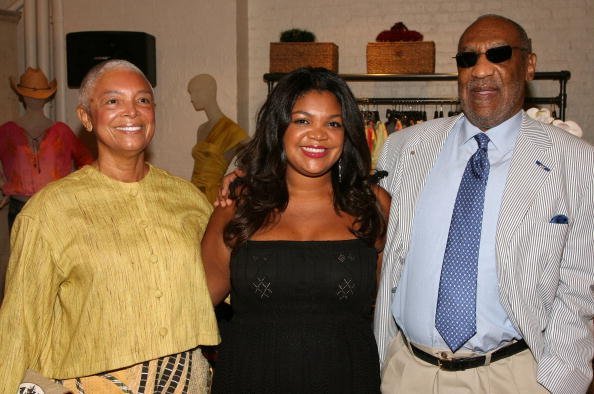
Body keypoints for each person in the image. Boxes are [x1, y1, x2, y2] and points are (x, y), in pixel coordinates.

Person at [374, 14, 594, 393]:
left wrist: (560, 381)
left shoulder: (574, 160)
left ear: (528, 65)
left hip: (514, 376)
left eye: (498, 54)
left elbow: (579, 283)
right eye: (467, 58)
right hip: (408, 372)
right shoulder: (404, 147)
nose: (480, 70)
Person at [0, 59, 219, 393]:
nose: (131, 112)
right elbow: (19, 325)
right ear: (86, 117)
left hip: (186, 383)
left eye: (143, 100)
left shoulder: (188, 200)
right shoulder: (49, 211)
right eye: (113, 101)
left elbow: (223, 281)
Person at [202, 67, 390, 393]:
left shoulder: (374, 205)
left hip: (347, 378)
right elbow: (195, 300)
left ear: (346, 135)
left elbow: (403, 298)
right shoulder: (238, 204)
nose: (317, 134)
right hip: (251, 378)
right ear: (279, 128)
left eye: (333, 123)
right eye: (302, 120)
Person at [0, 67, 93, 232]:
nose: (34, 99)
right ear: (22, 96)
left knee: (54, 255)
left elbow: (87, 161)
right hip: (19, 208)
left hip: (54, 207)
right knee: (22, 256)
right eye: (31, 95)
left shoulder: (61, 132)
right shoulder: (7, 132)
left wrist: (74, 190)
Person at [187, 73, 249, 204]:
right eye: (191, 93)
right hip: (193, 194)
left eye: (196, 92)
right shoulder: (201, 129)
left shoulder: (231, 130)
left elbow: (259, 153)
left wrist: (238, 177)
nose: (192, 98)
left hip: (213, 197)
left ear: (210, 91)